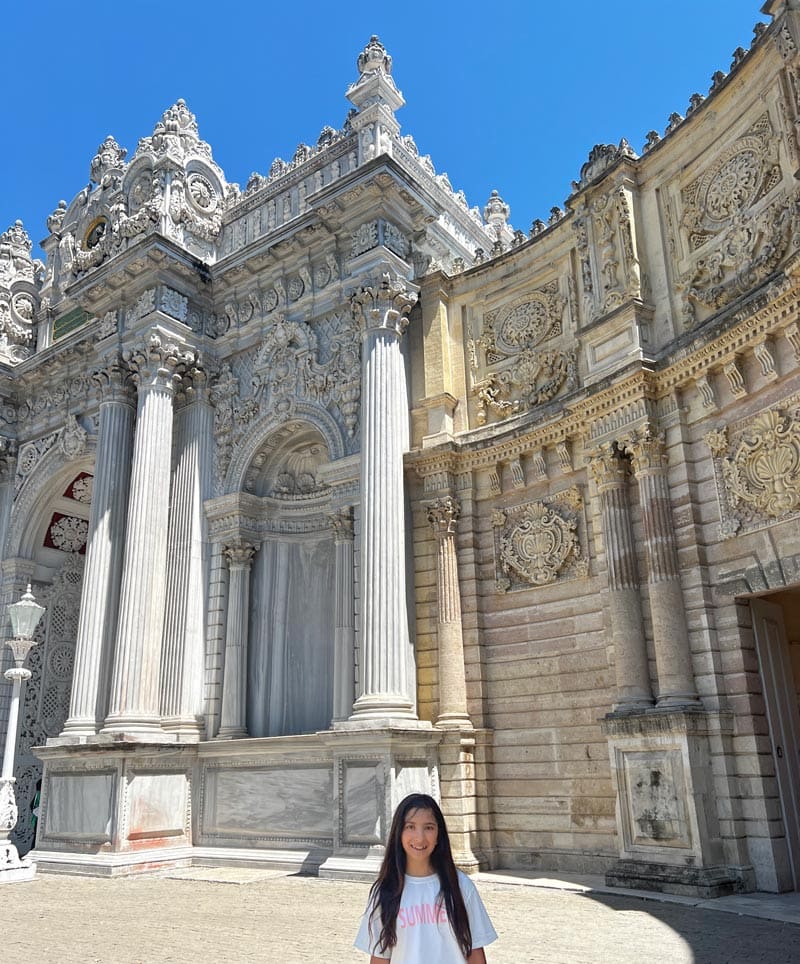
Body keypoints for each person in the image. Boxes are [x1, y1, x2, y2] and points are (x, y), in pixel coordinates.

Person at [354, 793, 497, 963]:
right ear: (399, 833)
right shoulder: (385, 891)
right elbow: (380, 957)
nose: (420, 837)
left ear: (439, 834)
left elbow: (475, 952)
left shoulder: (460, 886)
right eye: (410, 827)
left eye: (428, 827)